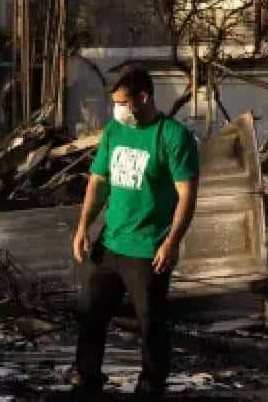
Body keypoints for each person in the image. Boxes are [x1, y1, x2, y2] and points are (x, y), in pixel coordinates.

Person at [71, 65, 200, 400]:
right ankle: (87, 381)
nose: (118, 109)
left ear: (143, 97)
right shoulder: (114, 131)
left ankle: (150, 386)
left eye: (122, 102)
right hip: (111, 243)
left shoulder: (173, 136)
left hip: (148, 249)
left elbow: (187, 195)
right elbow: (98, 183)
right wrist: (84, 227)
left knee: (151, 324)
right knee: (91, 314)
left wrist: (172, 241)